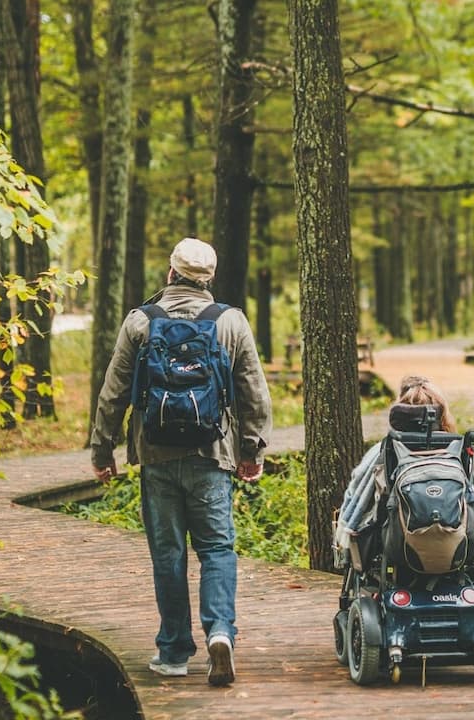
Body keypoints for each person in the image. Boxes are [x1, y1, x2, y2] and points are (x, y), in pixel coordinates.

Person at [90, 237, 272, 687]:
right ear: (209, 279)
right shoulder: (229, 322)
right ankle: (221, 633)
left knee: (168, 554)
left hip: (155, 456)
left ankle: (173, 651)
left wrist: (102, 450)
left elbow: (113, 392)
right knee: (216, 548)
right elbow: (254, 393)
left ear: (170, 273)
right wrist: (252, 450)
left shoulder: (140, 321)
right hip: (211, 456)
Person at [334, 375, 474, 581]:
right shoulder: (455, 451)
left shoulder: (385, 450)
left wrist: (346, 527)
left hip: (399, 548)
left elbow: (358, 491)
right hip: (457, 547)